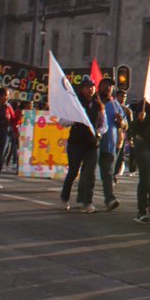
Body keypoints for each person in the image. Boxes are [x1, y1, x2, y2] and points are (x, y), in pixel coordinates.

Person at [60, 78, 104, 213]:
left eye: (92, 86)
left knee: (90, 173)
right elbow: (62, 121)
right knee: (73, 172)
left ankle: (87, 202)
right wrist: (75, 120)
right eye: (87, 87)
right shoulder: (75, 104)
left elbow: (103, 124)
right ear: (81, 89)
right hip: (76, 143)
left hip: (92, 144)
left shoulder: (98, 105)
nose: (90, 89)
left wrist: (99, 132)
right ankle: (65, 197)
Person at [96, 79, 122, 211]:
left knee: (108, 174)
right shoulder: (93, 102)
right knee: (88, 172)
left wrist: (121, 122)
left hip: (109, 144)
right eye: (106, 85)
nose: (108, 88)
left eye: (111, 86)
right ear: (99, 86)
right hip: (92, 143)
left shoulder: (115, 104)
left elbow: (125, 124)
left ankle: (110, 199)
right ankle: (84, 198)